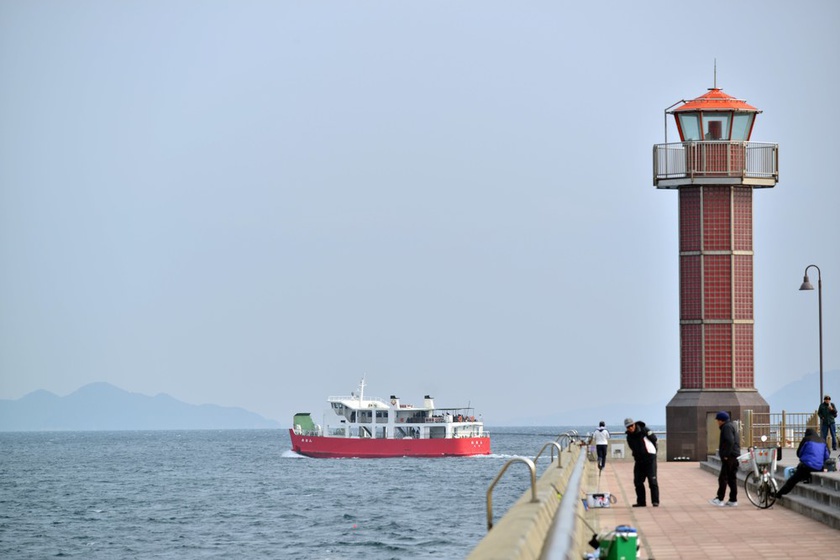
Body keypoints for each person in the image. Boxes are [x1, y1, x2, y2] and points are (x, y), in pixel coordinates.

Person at [775, 428, 829, 499]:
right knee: (806, 468)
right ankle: (806, 477)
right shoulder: (823, 440)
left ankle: (778, 494)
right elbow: (827, 456)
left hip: (806, 466)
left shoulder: (806, 439)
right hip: (819, 467)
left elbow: (799, 453)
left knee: (792, 480)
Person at [624, 417, 659, 507]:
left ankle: (655, 501)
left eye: (631, 425)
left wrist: (653, 452)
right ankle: (641, 502)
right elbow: (632, 447)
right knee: (637, 481)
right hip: (639, 460)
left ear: (634, 424)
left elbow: (654, 439)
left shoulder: (644, 430)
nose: (630, 428)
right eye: (628, 427)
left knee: (652, 480)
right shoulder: (629, 437)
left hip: (650, 458)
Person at [709, 411, 740, 507]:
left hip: (730, 457)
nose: (717, 422)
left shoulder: (726, 427)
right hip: (735, 455)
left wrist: (726, 455)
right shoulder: (732, 425)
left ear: (721, 420)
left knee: (723, 478)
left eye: (718, 420)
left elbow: (729, 441)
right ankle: (733, 500)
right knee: (732, 478)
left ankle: (720, 499)